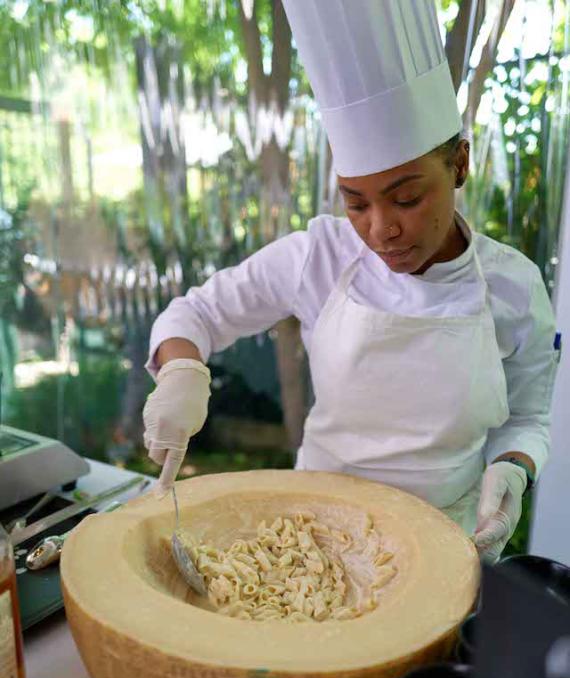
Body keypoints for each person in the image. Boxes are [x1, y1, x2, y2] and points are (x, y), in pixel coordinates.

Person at [143, 0, 559, 564]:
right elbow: (195, 315)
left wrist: (512, 469)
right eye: (356, 203)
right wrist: (182, 372)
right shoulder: (320, 255)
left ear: (460, 164)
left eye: (407, 198)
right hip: (310, 544)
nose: (382, 229)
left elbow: (531, 416)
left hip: (444, 549)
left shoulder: (514, 286)